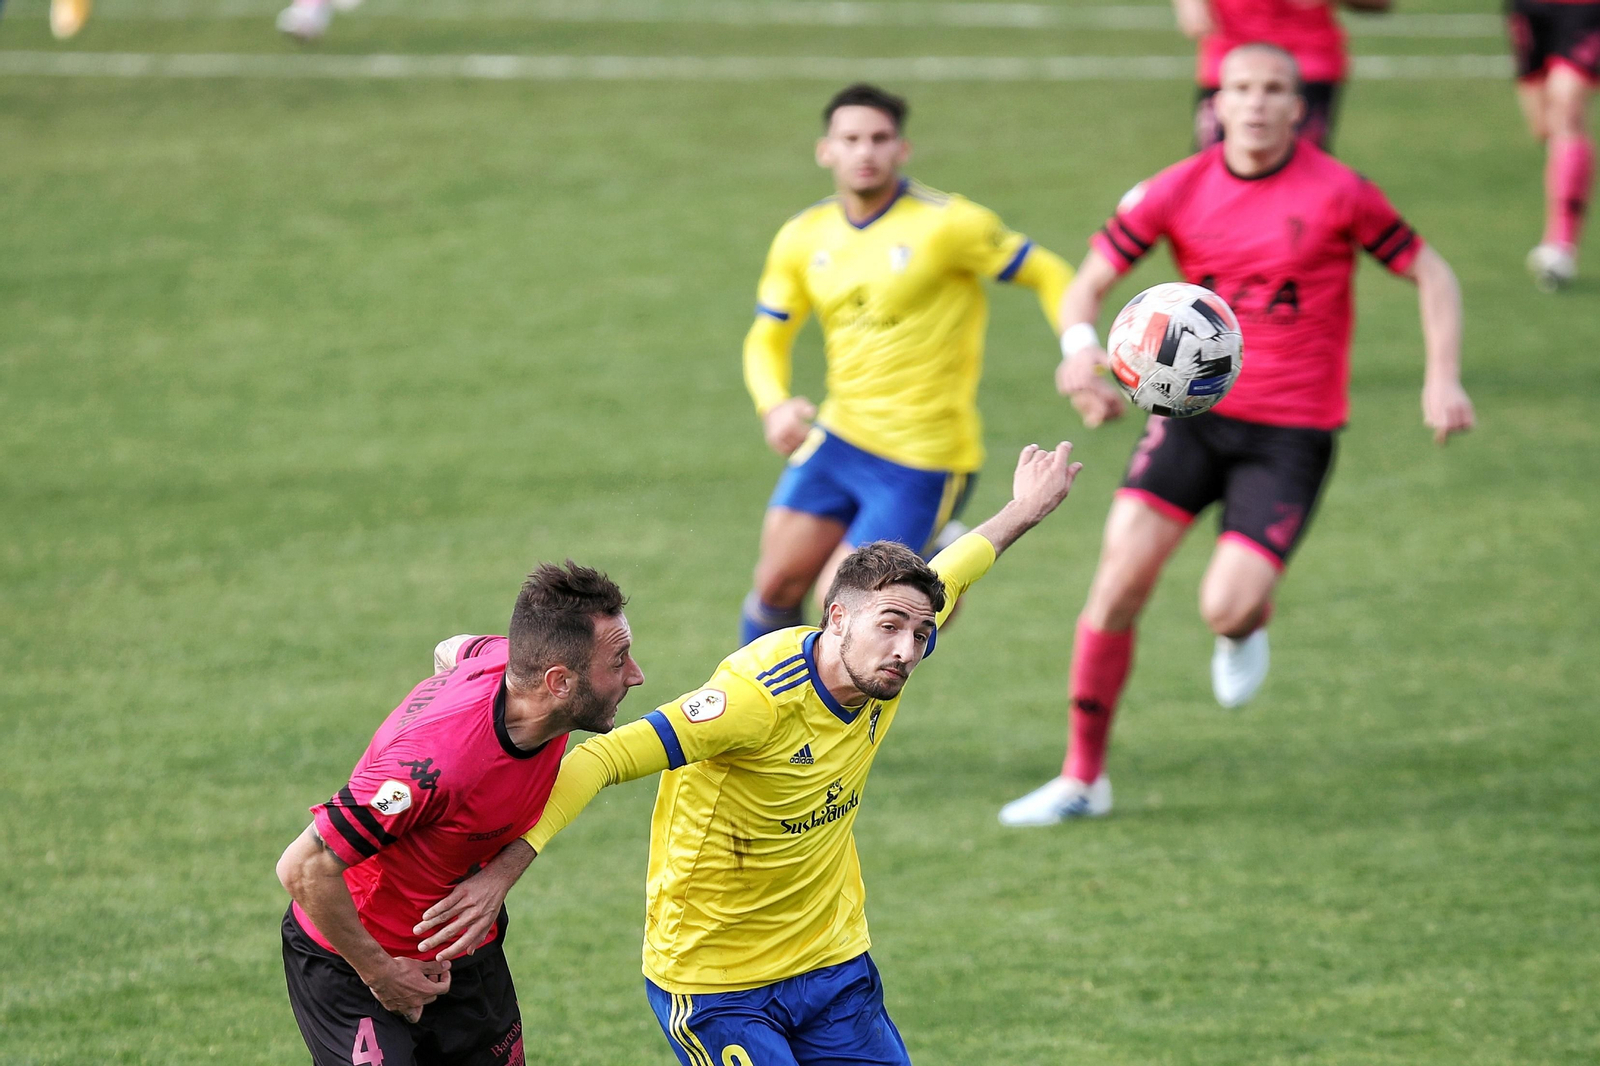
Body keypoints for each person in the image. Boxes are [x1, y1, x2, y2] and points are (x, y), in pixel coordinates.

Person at [414, 443, 1083, 1066]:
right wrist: (503, 872)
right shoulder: (753, 701)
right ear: (838, 619)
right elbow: (601, 759)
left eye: (921, 633)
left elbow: (954, 569)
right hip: (717, 984)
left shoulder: (888, 659)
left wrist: (1025, 508)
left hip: (832, 963)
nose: (908, 650)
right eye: (891, 629)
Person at [998, 43, 1475, 827]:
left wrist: (1442, 375)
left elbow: (1433, 271)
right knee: (1116, 585)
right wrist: (1082, 356)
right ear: (1215, 104)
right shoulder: (1177, 188)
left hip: (1291, 435)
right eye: (1240, 88)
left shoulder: (1340, 192)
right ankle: (1083, 778)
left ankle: (1244, 626)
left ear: (1300, 107)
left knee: (1226, 607)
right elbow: (1086, 285)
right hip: (1191, 423)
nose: (1254, 103)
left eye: (1273, 90)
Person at [737, 82, 1073, 646]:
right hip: (839, 437)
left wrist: (1080, 347)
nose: (865, 151)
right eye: (851, 139)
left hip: (923, 457)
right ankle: (747, 726)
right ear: (827, 150)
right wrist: (773, 406)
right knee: (773, 584)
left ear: (902, 149)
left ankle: (938, 564)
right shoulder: (802, 236)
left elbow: (1049, 272)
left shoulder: (948, 224)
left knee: (842, 608)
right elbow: (766, 336)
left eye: (879, 138)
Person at [274, 563, 645, 1066]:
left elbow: (453, 647)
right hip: (358, 963)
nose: (636, 675)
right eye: (618, 660)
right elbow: (304, 866)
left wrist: (500, 871)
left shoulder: (512, 666)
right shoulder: (429, 772)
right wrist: (382, 974)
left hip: (466, 954)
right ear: (559, 681)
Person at [1173, 0, 1392, 150]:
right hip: (1233, 65)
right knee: (1213, 175)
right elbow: (1195, 22)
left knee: (1300, 175)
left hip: (1304, 65)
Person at [1507, 0, 1600, 289]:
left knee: (1566, 103)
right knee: (1544, 125)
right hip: (1532, 6)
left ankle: (1561, 243)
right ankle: (1566, 189)